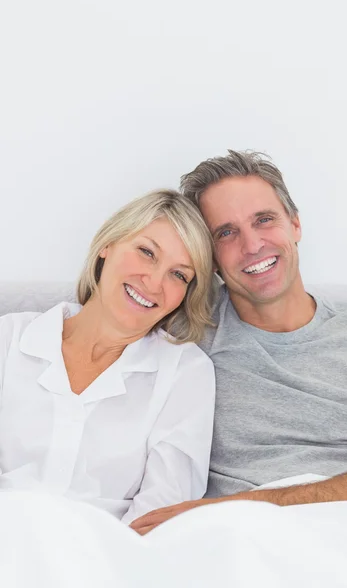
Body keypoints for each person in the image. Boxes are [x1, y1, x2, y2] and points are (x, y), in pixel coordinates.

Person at [131, 150, 347, 535]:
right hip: (233, 548)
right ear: (209, 257)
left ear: (295, 224)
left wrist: (245, 506)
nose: (252, 245)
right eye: (226, 232)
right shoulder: (181, 335)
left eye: (264, 220)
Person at [0, 189, 217, 525]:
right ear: (107, 245)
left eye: (179, 275)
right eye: (147, 252)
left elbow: (163, 514)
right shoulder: (9, 339)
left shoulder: (186, 373)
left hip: (104, 562)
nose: (155, 282)